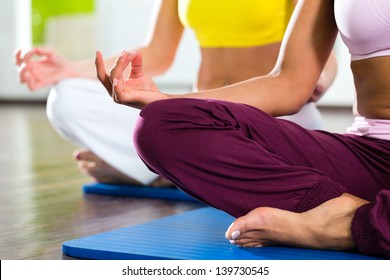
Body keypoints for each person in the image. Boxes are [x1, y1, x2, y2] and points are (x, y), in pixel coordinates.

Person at [95, 0, 390, 258]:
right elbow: (288, 84)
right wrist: (163, 101)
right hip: (369, 152)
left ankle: (348, 226)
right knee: (161, 124)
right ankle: (343, 209)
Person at [15, 0, 337, 186]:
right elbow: (156, 52)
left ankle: (160, 170)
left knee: (290, 160)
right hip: (200, 118)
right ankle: (177, 171)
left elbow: (323, 58)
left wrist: (318, 79)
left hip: (270, 114)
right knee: (66, 98)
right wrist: (68, 69)